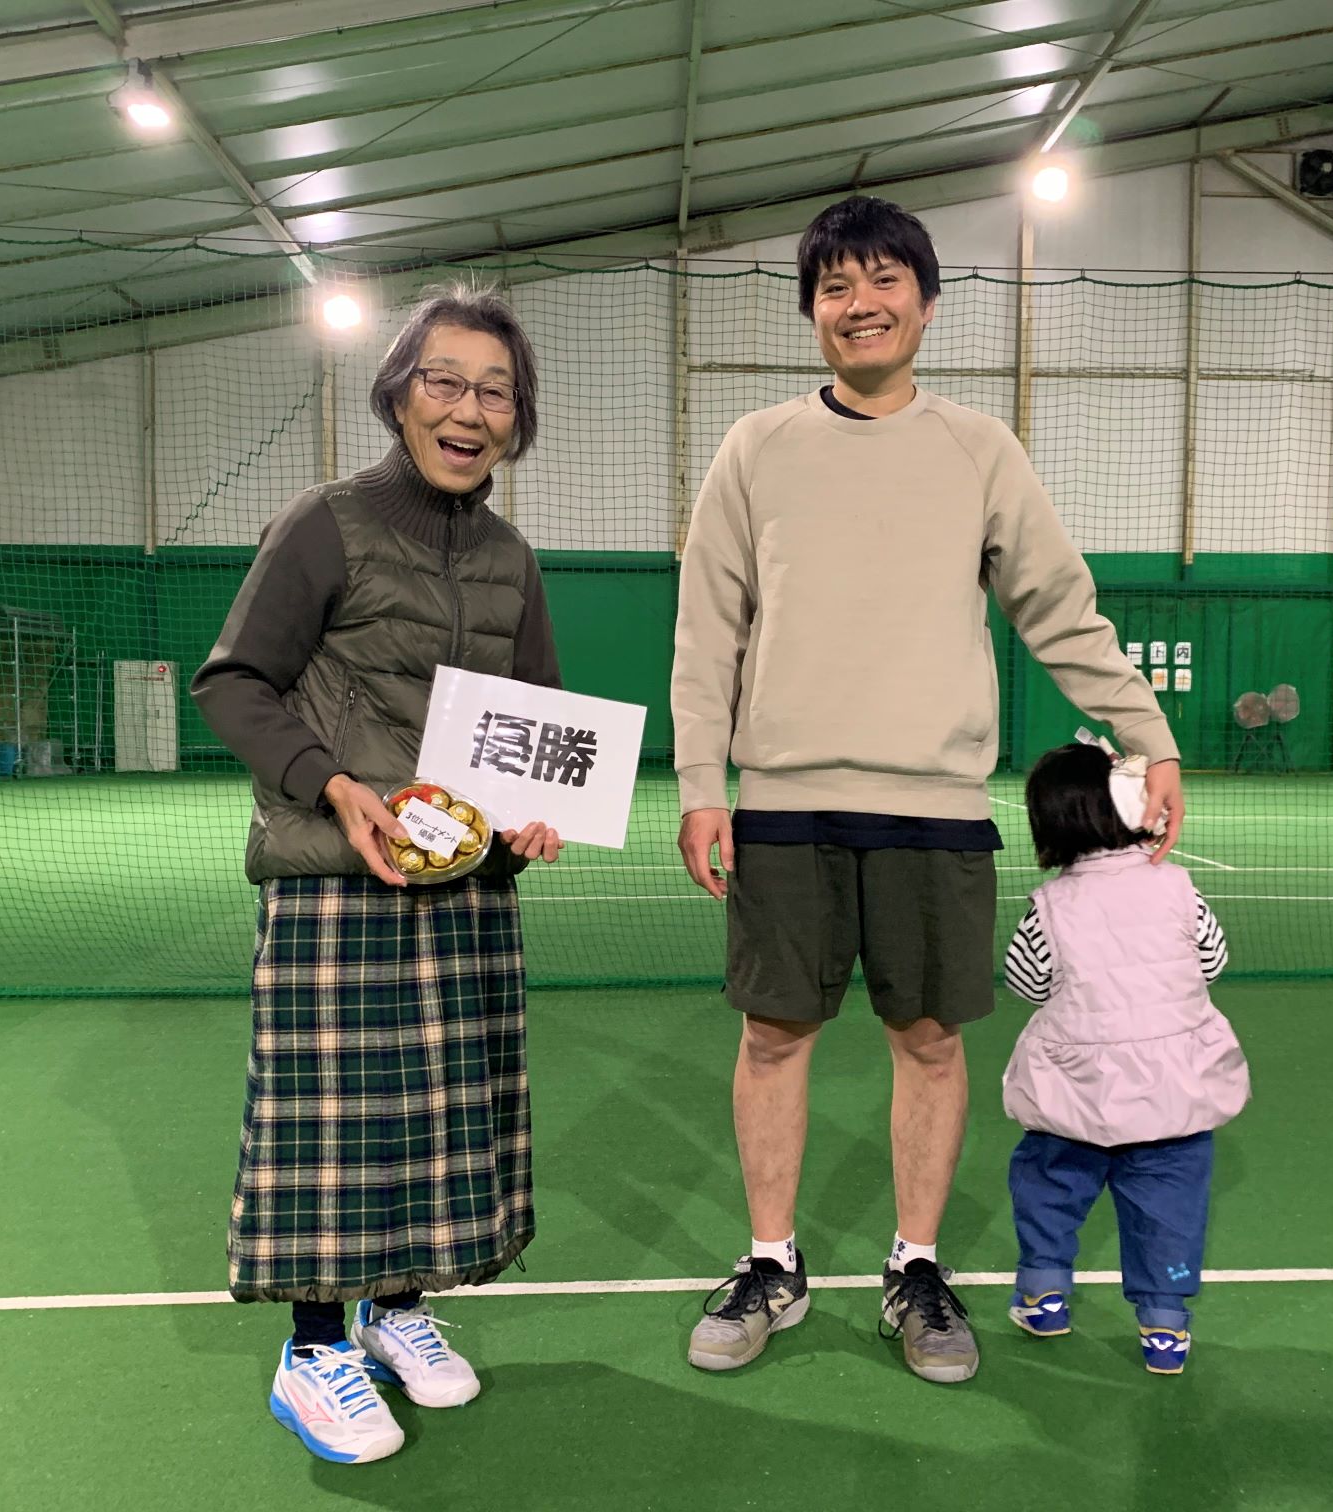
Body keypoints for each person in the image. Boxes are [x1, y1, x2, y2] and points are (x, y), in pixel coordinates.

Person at [671, 195, 1185, 1385]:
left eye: (883, 280)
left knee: (930, 1040)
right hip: (783, 803)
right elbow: (707, 632)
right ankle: (771, 1263)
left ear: (927, 301)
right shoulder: (754, 448)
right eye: (835, 286)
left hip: (936, 808)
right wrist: (703, 782)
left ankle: (915, 1267)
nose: (860, 303)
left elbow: (1059, 609)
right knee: (773, 1035)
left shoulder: (981, 450)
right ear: (813, 312)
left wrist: (1145, 733)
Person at [192, 282, 564, 1464]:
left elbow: (536, 719)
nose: (469, 410)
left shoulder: (510, 559)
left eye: (495, 392)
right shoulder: (327, 523)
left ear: (515, 420)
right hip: (334, 878)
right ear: (400, 396)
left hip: (463, 891)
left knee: (439, 1114)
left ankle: (396, 1311)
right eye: (445, 382)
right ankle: (314, 1351)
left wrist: (535, 815)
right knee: (331, 1128)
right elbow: (233, 681)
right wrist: (332, 784)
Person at [1001, 738, 1247, 1374]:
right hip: (1174, 1096)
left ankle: (1043, 1294)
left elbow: (1026, 983)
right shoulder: (1179, 887)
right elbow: (1213, 960)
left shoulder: (1050, 906)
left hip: (1075, 1095)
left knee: (1048, 1186)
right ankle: (1165, 1326)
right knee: (1170, 1211)